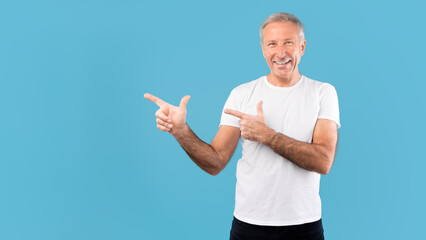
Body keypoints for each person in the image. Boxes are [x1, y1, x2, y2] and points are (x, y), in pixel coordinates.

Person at [145, 12, 340, 240]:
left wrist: (268, 137)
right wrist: (180, 131)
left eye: (289, 42)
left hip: (304, 224)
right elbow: (215, 162)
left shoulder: (322, 92)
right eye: (272, 44)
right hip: (249, 225)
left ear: (302, 46)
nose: (281, 53)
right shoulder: (241, 94)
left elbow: (323, 161)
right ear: (263, 49)